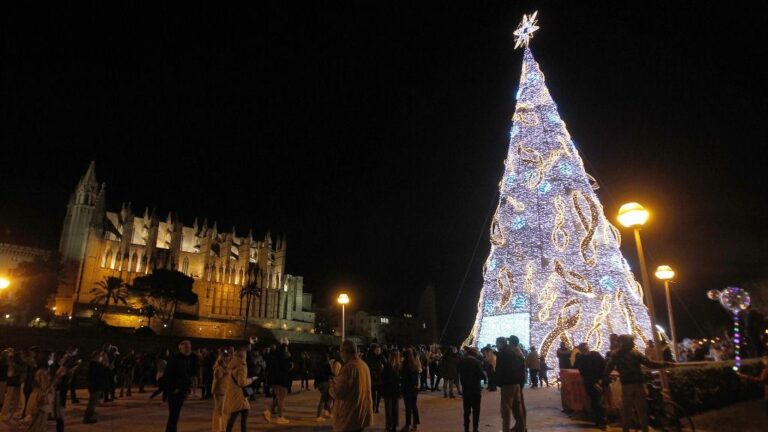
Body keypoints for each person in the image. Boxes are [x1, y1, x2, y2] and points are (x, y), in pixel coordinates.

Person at [605, 334, 673, 432]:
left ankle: (626, 429)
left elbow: (608, 369)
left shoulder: (616, 355)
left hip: (626, 386)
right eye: (632, 342)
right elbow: (651, 364)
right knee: (642, 412)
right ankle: (645, 429)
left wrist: (607, 376)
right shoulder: (636, 354)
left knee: (626, 412)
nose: (633, 343)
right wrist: (666, 364)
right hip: (638, 384)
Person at [329, 340, 373, 432]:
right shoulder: (363, 365)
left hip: (350, 416)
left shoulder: (350, 368)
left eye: (341, 351)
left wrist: (332, 385)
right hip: (361, 414)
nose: (340, 354)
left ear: (345, 351)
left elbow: (339, 392)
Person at [574, 343, 607, 430]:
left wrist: (600, 380)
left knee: (598, 402)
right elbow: (582, 371)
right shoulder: (583, 358)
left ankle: (602, 422)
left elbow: (603, 367)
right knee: (595, 402)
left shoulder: (593, 356)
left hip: (595, 382)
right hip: (592, 383)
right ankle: (598, 421)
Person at [496, 336, 526, 432]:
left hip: (507, 384)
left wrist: (499, 382)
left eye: (497, 343)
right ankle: (521, 428)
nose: (496, 345)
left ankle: (506, 430)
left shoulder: (504, 353)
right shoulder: (517, 352)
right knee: (517, 408)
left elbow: (500, 370)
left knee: (506, 410)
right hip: (516, 383)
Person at [222, 346, 256, 432]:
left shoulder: (232, 364)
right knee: (242, 416)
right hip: (239, 395)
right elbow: (242, 383)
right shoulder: (242, 366)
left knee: (234, 415)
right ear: (243, 356)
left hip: (233, 393)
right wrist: (251, 379)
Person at [164, 340, 194, 432]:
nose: (188, 349)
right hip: (175, 392)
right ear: (180, 348)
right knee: (173, 415)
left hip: (181, 391)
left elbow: (187, 376)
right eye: (186, 347)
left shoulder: (186, 359)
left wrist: (187, 390)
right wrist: (173, 389)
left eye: (189, 347)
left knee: (175, 415)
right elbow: (168, 375)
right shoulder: (174, 359)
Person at [457, 347, 485, 432]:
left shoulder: (462, 362)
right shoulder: (477, 362)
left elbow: (458, 372)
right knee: (476, 411)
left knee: (466, 411)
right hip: (475, 389)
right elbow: (482, 376)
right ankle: (475, 429)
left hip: (466, 389)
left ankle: (466, 429)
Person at [263, 343, 291, 425]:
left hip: (275, 381)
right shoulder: (284, 358)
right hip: (282, 380)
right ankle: (280, 417)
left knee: (278, 398)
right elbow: (288, 368)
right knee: (281, 399)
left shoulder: (275, 357)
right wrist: (289, 359)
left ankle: (268, 411)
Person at [83, 349, 109, 424]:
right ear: (96, 356)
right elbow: (101, 374)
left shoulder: (95, 364)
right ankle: (87, 418)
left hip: (96, 386)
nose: (101, 357)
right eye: (100, 356)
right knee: (92, 403)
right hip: (96, 386)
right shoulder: (95, 364)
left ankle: (89, 416)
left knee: (93, 403)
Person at [401, 347, 421, 431]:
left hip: (408, 388)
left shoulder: (405, 364)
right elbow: (416, 376)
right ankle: (415, 424)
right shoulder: (414, 363)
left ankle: (408, 424)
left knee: (408, 407)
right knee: (414, 406)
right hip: (414, 388)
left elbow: (404, 377)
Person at [380, 350, 401, 432]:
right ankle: (395, 425)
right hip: (395, 390)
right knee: (395, 408)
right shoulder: (398, 366)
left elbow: (384, 377)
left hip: (388, 390)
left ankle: (389, 426)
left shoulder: (387, 366)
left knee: (388, 409)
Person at [211, 350, 231, 432]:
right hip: (220, 391)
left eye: (228, 357)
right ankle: (217, 429)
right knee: (219, 411)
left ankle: (222, 427)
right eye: (225, 358)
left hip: (225, 390)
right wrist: (226, 372)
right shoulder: (218, 368)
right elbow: (219, 377)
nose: (227, 359)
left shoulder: (225, 367)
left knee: (224, 411)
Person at [365, 344, 385, 413]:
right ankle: (373, 406)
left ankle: (377, 407)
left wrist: (383, 368)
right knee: (373, 394)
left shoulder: (382, 357)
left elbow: (386, 365)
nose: (378, 351)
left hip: (380, 378)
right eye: (376, 350)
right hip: (372, 378)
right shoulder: (369, 358)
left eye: (379, 350)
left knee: (379, 394)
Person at [314, 352, 333, 422]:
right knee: (323, 399)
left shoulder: (318, 364)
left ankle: (329, 412)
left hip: (319, 384)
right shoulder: (327, 365)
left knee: (327, 398)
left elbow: (315, 374)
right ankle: (318, 416)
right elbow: (330, 374)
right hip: (325, 383)